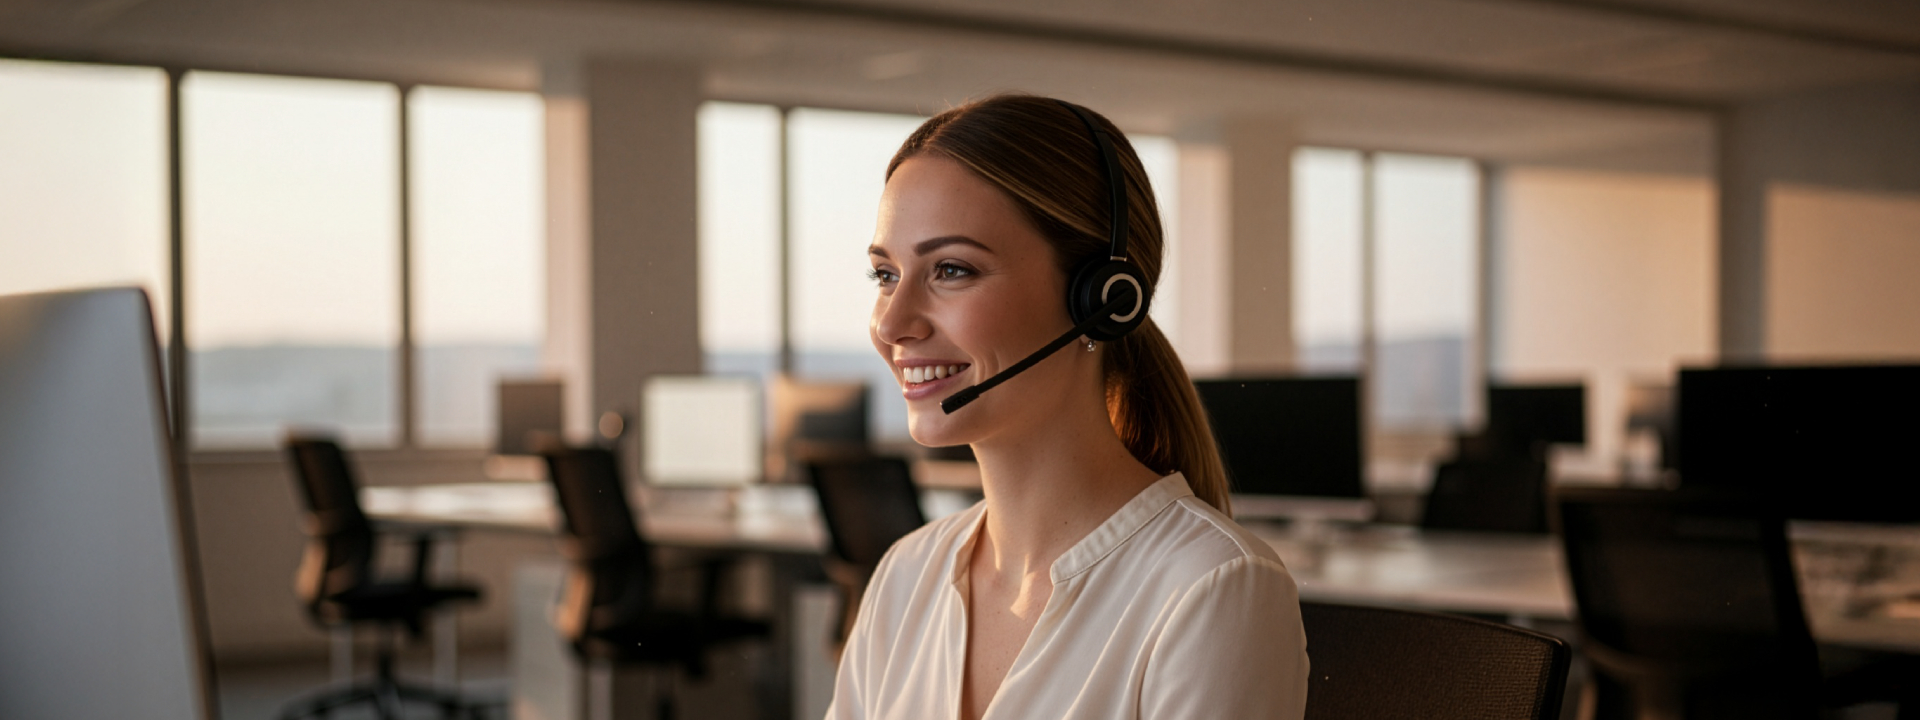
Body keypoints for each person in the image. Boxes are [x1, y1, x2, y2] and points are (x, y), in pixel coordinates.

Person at [826, 94, 1307, 720]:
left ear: (1102, 301)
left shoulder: (1210, 589)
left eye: (951, 270)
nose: (892, 324)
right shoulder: (906, 575)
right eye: (885, 275)